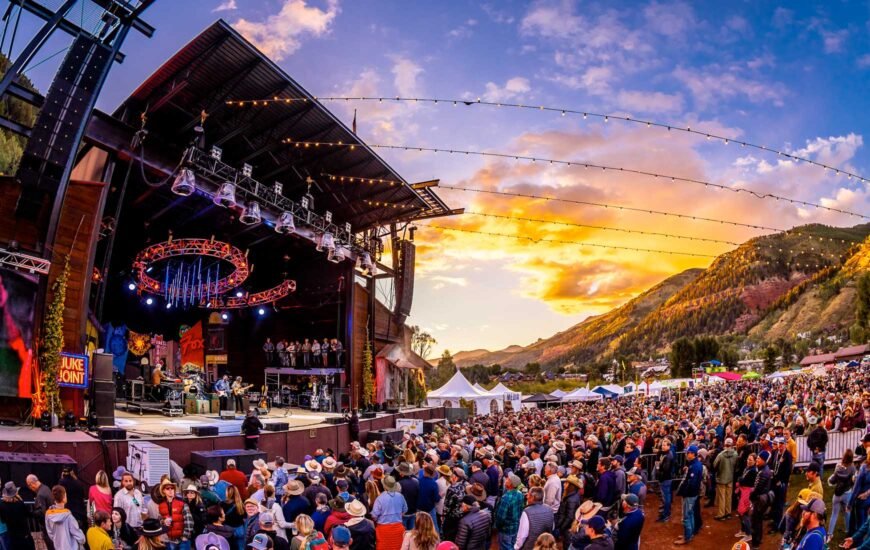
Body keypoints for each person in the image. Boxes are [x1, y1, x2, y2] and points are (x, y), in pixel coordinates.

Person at [674, 445, 703, 546]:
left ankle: (687, 537)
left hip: (690, 495)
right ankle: (689, 535)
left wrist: (684, 493)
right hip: (693, 494)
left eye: (688, 453)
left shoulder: (694, 466)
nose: (686, 454)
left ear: (693, 454)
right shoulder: (695, 464)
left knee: (686, 516)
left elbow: (692, 483)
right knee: (690, 515)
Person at [370, 476, 407, 550]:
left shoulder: (380, 498)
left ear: (384, 486)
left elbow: (374, 515)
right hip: (398, 528)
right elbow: (405, 510)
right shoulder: (400, 496)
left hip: (383, 530)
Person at [156, 480, 194, 550]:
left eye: (172, 488)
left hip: (183, 540)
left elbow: (189, 521)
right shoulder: (161, 505)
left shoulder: (182, 503)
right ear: (164, 491)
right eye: (167, 488)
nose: (170, 490)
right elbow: (160, 519)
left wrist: (185, 536)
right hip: (170, 540)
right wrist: (163, 521)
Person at [45, 485, 86, 550]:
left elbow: (50, 532)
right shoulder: (68, 516)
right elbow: (78, 534)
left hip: (58, 547)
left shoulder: (48, 514)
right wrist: (83, 540)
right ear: (64, 498)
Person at [829, 448, 856, 539]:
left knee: (834, 514)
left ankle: (830, 534)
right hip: (847, 493)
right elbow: (854, 481)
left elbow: (833, 480)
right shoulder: (852, 468)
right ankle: (848, 531)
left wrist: (830, 480)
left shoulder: (838, 466)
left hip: (837, 494)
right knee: (847, 513)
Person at [0, 481, 34, 550]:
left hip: (12, 535)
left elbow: (3, 520)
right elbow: (27, 514)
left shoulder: (2, 505)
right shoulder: (19, 503)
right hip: (24, 534)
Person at [494, 474, 525, 550]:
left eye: (508, 479)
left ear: (511, 484)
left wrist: (497, 526)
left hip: (506, 530)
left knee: (506, 547)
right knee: (512, 546)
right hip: (516, 527)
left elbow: (501, 517)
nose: (506, 480)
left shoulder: (506, 498)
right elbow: (521, 509)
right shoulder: (520, 494)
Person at [713, 437, 738, 520]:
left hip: (721, 477)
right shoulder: (735, 454)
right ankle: (728, 512)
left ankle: (721, 514)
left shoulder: (720, 455)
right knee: (728, 496)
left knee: (722, 497)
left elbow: (714, 465)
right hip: (730, 477)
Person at [656, 438, 675, 523]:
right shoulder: (663, 454)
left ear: (669, 446)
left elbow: (665, 468)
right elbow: (658, 464)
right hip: (663, 478)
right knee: (665, 498)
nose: (662, 447)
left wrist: (658, 467)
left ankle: (666, 515)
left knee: (666, 498)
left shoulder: (668, 456)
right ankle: (665, 513)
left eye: (664, 445)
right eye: (662, 445)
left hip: (665, 479)